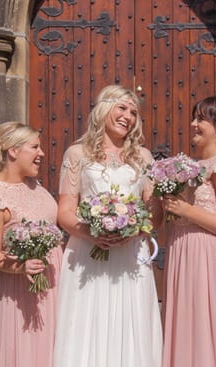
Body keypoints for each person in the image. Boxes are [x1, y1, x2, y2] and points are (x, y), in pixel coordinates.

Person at [53, 85, 163, 367]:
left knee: (132, 322)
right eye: (122, 108)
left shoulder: (144, 157)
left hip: (131, 255)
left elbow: (154, 213)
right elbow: (65, 212)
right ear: (104, 108)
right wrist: (92, 233)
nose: (128, 116)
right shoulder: (77, 154)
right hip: (87, 253)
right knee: (87, 322)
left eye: (133, 112)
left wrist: (134, 232)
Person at [161, 95, 216, 367]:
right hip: (181, 249)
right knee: (184, 321)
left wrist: (187, 211)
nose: (193, 124)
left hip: (207, 256)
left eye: (201, 119)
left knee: (202, 323)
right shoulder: (193, 166)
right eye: (195, 117)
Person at [0, 122, 63, 367]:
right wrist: (21, 267)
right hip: (22, 291)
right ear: (13, 151)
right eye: (35, 147)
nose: (42, 154)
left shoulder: (34, 185)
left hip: (55, 283)